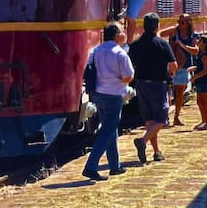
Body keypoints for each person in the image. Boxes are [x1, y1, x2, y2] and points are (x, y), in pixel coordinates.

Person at [82, 21, 135, 181]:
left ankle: (115, 166)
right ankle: (91, 166)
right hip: (114, 95)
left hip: (98, 94)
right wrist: (120, 80)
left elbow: (89, 70)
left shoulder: (95, 50)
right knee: (107, 131)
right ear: (117, 35)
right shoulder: (120, 53)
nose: (124, 34)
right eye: (122, 31)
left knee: (110, 128)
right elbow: (128, 76)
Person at [128, 13, 177, 164]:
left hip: (141, 84)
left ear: (144, 26)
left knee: (150, 120)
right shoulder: (162, 44)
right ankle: (142, 141)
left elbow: (130, 62)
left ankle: (156, 151)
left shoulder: (135, 44)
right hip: (158, 85)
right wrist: (172, 74)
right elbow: (173, 66)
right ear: (157, 26)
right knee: (162, 119)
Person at [160, 13, 199, 126]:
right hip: (171, 65)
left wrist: (182, 45)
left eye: (182, 22)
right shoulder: (174, 31)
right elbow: (159, 33)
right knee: (168, 91)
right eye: (179, 22)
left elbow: (196, 51)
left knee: (180, 92)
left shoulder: (193, 35)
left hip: (184, 66)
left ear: (188, 24)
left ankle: (176, 116)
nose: (179, 24)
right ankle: (165, 117)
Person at [189, 34, 207, 130]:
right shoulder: (201, 55)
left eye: (200, 40)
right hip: (201, 81)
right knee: (199, 101)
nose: (198, 42)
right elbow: (201, 67)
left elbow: (206, 70)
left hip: (204, 81)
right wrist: (194, 68)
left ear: (204, 44)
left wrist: (195, 77)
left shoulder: (205, 56)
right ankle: (204, 121)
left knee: (204, 102)